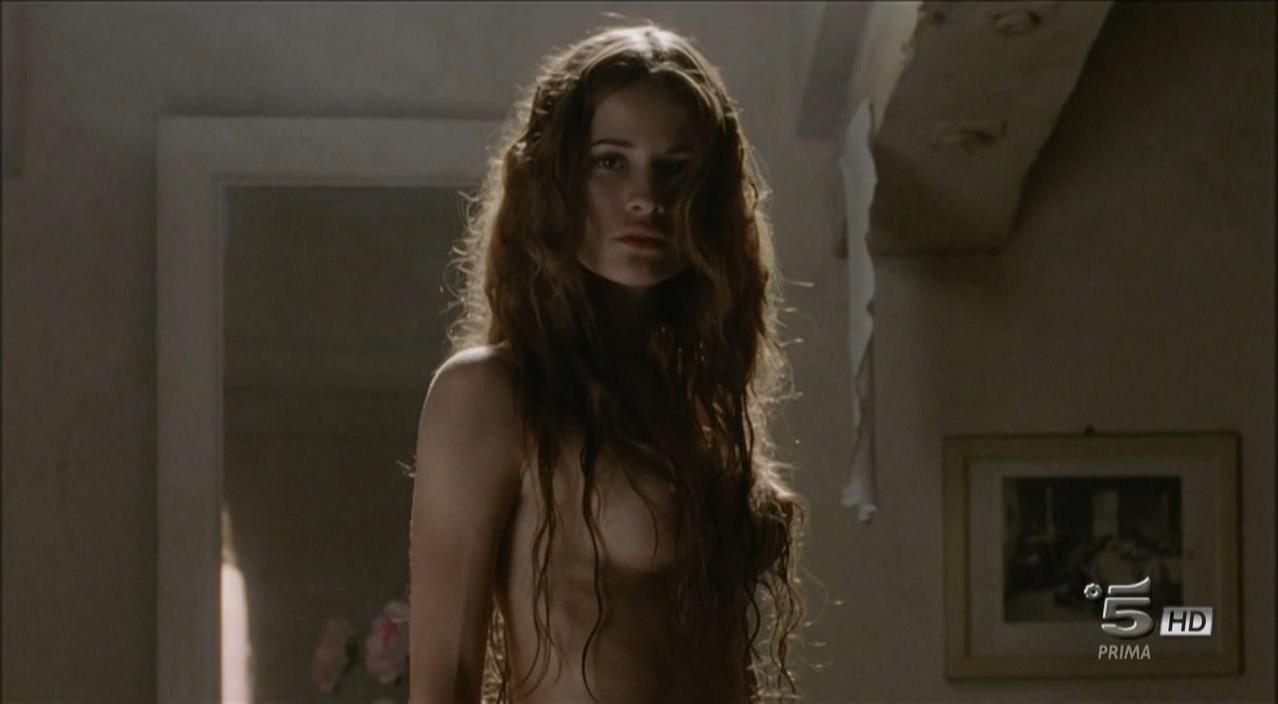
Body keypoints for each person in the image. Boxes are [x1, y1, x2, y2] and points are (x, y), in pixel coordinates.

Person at [409, 22, 806, 704]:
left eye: (674, 169)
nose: (646, 197)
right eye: (610, 162)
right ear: (555, 179)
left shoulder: (698, 397)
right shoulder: (493, 392)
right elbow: (443, 681)